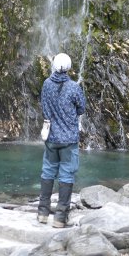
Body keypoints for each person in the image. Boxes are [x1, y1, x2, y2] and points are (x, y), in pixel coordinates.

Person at [37, 52, 86, 228]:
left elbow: (43, 105)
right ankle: (60, 217)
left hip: (51, 137)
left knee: (48, 172)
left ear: (54, 66)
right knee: (66, 174)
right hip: (69, 140)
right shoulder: (74, 87)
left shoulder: (46, 84)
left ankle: (42, 213)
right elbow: (82, 108)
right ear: (69, 67)